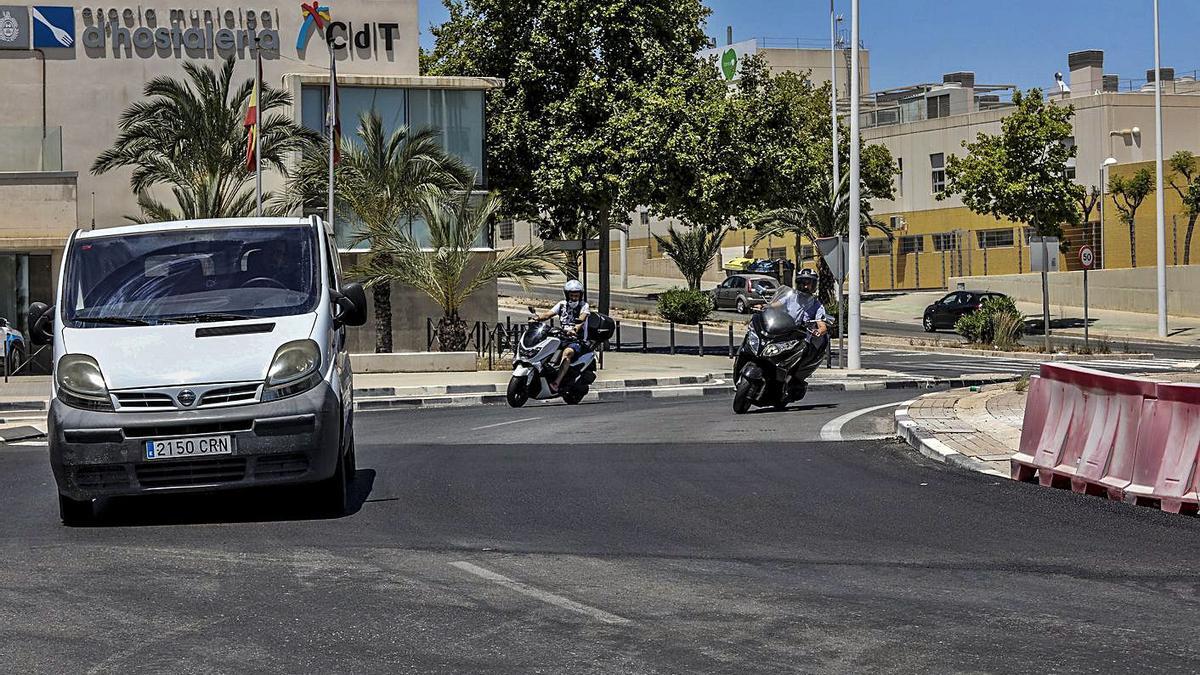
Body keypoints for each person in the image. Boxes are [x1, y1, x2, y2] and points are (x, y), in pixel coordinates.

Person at [531, 279, 590, 393]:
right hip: (562, 336)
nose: (574, 298)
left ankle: (556, 383)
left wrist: (574, 329)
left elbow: (582, 319)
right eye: (572, 295)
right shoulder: (562, 304)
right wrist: (537, 318)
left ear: (580, 295)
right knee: (544, 347)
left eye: (576, 295)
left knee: (567, 352)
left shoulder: (584, 306)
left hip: (576, 339)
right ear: (567, 295)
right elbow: (548, 314)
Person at [782, 269, 829, 338]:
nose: (806, 287)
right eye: (803, 283)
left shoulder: (816, 304)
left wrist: (818, 331)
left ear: (814, 285)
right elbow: (775, 304)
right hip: (786, 332)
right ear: (798, 284)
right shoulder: (790, 298)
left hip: (804, 337)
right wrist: (763, 306)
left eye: (809, 283)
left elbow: (822, 325)